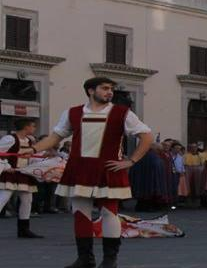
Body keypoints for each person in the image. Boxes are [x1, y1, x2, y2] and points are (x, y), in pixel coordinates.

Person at [31, 77, 153, 268]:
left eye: (111, 89)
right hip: (79, 169)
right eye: (105, 88)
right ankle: (85, 259)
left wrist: (131, 161)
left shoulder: (123, 113)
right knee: (80, 213)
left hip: (108, 169)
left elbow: (146, 136)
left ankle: (110, 260)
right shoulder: (73, 112)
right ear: (90, 90)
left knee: (109, 213)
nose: (110, 92)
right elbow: (55, 136)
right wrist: (32, 149)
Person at [0, 117, 43, 238]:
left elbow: (31, 157)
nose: (34, 128)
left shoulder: (30, 140)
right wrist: (6, 166)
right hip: (11, 173)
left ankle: (24, 229)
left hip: (24, 173)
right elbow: (0, 154)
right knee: (3, 198)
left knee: (27, 200)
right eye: (33, 126)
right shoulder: (9, 139)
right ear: (26, 127)